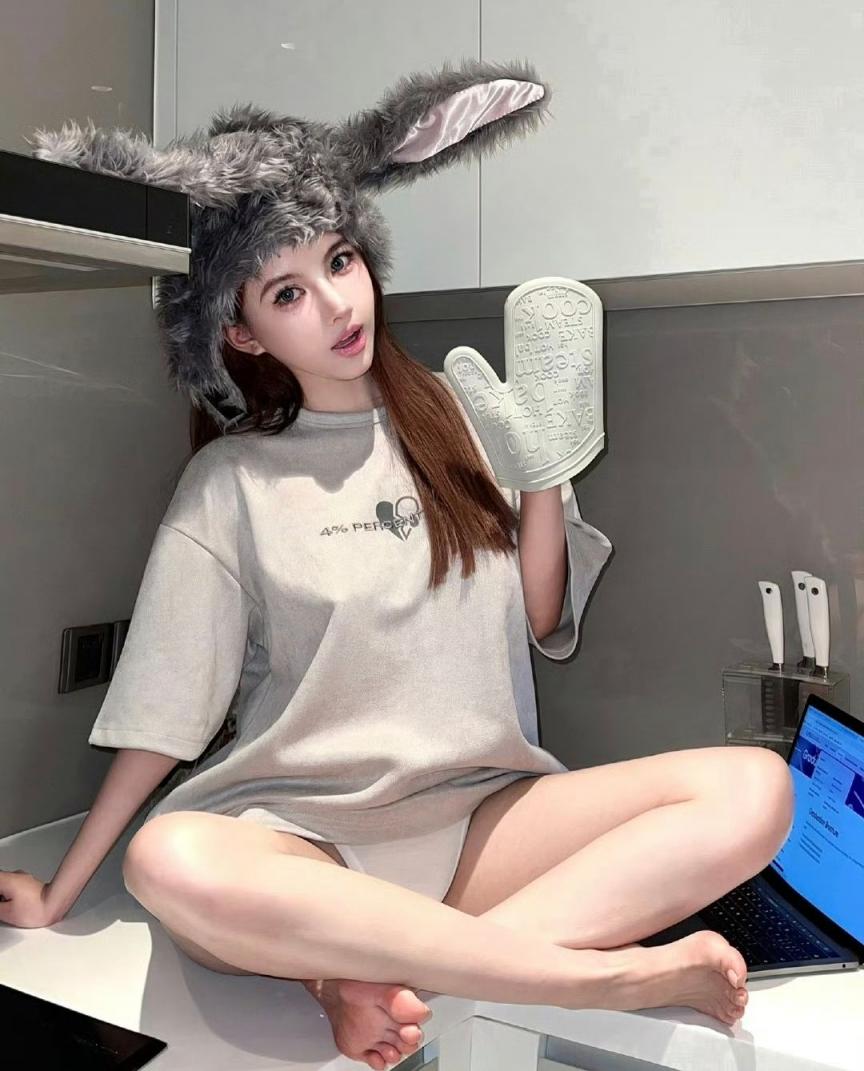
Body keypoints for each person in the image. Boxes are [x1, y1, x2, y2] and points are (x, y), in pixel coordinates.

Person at [0, 58, 794, 1070]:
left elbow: (540, 614)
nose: (338, 304)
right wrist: (62, 891)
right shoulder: (231, 482)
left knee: (757, 788)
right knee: (168, 856)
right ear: (242, 330)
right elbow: (162, 715)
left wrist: (541, 477)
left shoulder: (465, 415)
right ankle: (598, 976)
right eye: (290, 291)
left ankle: (371, 974)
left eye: (341, 260)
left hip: (481, 822)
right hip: (301, 843)